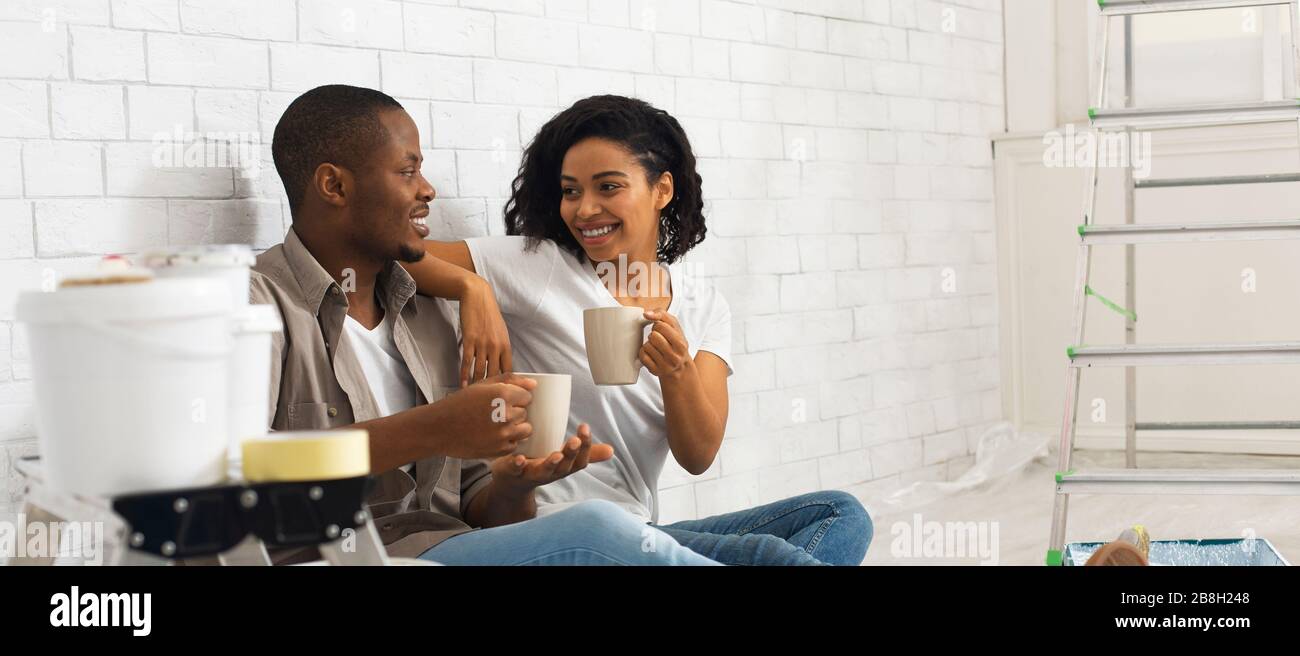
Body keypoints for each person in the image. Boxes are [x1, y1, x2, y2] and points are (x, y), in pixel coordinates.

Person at [252, 84, 719, 565]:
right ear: (335, 186)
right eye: (408, 170)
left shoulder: (425, 315)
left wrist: (516, 485)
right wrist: (432, 429)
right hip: (335, 557)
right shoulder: (256, 305)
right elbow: (232, 475)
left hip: (447, 547)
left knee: (769, 540)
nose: (428, 189)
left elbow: (480, 508)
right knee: (596, 527)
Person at [405, 95, 872, 565]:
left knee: (839, 513)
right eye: (571, 191)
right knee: (767, 556)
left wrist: (676, 372)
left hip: (638, 531)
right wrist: (472, 288)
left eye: (608, 187)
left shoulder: (702, 304)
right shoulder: (541, 267)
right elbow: (398, 254)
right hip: (555, 527)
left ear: (662, 190)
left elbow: (698, 455)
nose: (585, 209)